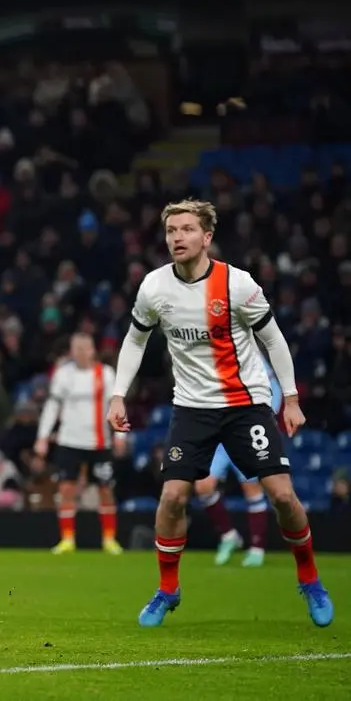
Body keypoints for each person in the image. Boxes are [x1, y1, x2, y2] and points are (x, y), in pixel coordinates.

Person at [109, 199, 334, 628]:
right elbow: (135, 340)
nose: (177, 237)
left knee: (283, 496)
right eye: (172, 230)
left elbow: (274, 339)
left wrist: (290, 399)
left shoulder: (238, 284)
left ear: (206, 237)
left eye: (187, 229)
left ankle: (310, 578)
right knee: (173, 496)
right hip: (192, 407)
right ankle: (167, 590)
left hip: (245, 403)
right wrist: (119, 394)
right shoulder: (155, 287)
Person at [35, 331, 124, 556]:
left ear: (92, 350)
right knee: (66, 489)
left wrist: (120, 435)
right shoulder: (64, 374)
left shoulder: (105, 373)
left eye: (83, 348)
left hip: (99, 442)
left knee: (105, 489)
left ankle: (109, 539)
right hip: (69, 441)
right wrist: (43, 437)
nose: (79, 353)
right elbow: (52, 407)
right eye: (75, 349)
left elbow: (115, 406)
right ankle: (67, 540)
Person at [195, 355, 283, 568]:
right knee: (203, 485)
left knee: (251, 487)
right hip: (219, 433)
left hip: (245, 432)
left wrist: (265, 417)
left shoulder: (250, 352)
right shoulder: (210, 353)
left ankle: (256, 548)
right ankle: (229, 535)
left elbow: (274, 387)